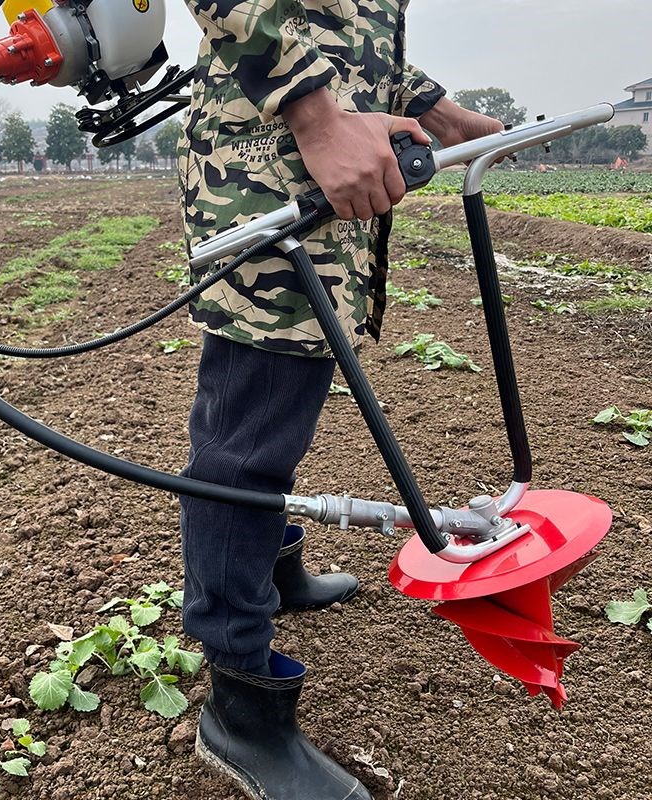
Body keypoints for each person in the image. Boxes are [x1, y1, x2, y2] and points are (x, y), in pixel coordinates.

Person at [176, 1, 503, 797]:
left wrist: (435, 109)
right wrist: (317, 114)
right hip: (271, 159)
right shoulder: (304, 125)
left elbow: (345, 19)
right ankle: (239, 705)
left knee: (284, 405)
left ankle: (275, 571)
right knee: (247, 440)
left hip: (326, 152)